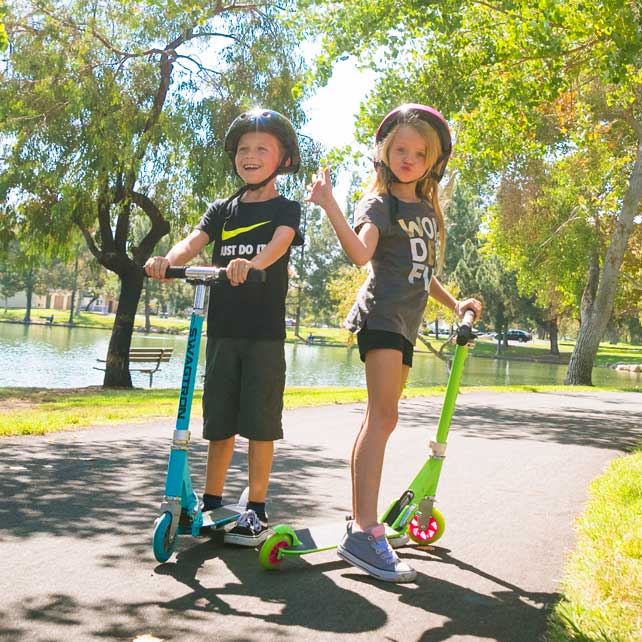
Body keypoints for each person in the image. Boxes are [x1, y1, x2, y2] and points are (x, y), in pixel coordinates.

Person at [306, 103, 482, 582]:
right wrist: (330, 205)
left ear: (432, 161)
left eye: (419, 152)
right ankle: (364, 529)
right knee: (382, 418)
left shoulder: (424, 211)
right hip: (381, 316)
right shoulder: (380, 203)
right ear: (384, 152)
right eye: (400, 149)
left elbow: (422, 275)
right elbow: (361, 252)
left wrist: (455, 303)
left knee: (381, 419)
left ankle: (360, 524)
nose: (409, 157)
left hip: (406, 323)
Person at [145, 108, 303, 546]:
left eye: (261, 149)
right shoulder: (223, 209)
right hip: (223, 331)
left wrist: (250, 265)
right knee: (219, 420)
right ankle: (213, 503)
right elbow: (193, 241)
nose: (250, 156)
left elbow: (279, 244)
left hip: (264, 333)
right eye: (243, 149)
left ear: (283, 159)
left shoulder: (285, 208)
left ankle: (256, 508)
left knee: (260, 421)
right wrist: (167, 260)